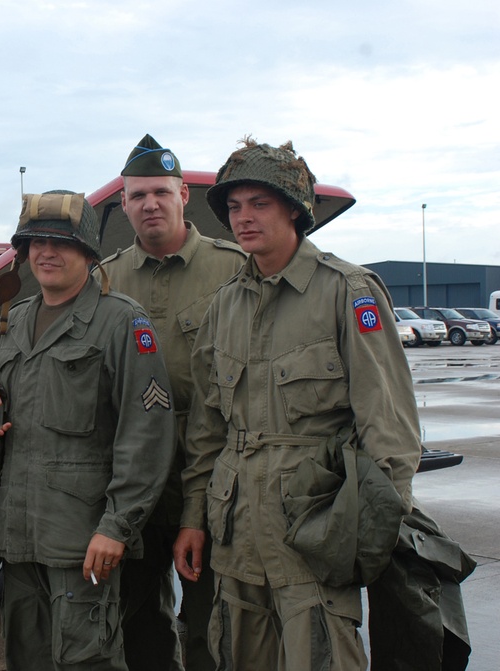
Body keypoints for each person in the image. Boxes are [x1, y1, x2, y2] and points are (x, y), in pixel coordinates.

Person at [173, 139, 422, 669]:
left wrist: (375, 534)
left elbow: (389, 426)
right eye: (234, 207)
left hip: (315, 530)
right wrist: (193, 516)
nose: (244, 218)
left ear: (294, 209)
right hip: (236, 529)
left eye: (259, 204)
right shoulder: (223, 307)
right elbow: (207, 431)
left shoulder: (346, 290)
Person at [0, 190, 176, 670]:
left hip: (83, 540)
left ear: (87, 251)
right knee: (26, 659)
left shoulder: (121, 322)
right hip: (19, 537)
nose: (46, 252)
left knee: (88, 662)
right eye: (36, 242)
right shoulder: (13, 321)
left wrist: (117, 527)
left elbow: (146, 434)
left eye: (61, 242)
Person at [101, 134, 245, 671]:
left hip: (211, 475)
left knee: (212, 622)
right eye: (138, 196)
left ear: (184, 194)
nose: (150, 204)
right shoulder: (106, 277)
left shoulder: (232, 269)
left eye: (161, 192)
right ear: (124, 204)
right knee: (138, 620)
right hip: (135, 473)